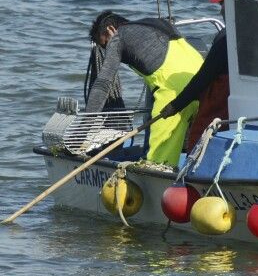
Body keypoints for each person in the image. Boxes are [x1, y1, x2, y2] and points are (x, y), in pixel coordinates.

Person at [85, 10, 203, 167]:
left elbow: (103, 83)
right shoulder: (157, 24)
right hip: (204, 85)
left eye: (104, 44)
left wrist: (86, 124)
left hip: (175, 95)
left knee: (158, 164)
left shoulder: (117, 38)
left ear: (109, 31)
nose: (107, 50)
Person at [160, 26, 229, 150]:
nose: (221, 10)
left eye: (223, 6)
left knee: (201, 134)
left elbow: (204, 77)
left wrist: (176, 105)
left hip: (221, 99)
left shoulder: (225, 38)